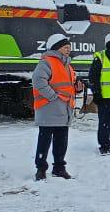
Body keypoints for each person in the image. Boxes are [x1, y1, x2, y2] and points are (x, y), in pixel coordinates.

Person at [31, 33, 82, 180]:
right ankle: (41, 169)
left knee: (61, 142)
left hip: (63, 110)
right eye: (65, 47)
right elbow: (38, 81)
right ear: (56, 48)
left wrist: (77, 88)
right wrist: (53, 96)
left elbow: (68, 86)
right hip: (49, 109)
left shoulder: (68, 66)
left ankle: (59, 168)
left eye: (69, 47)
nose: (68, 50)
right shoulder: (47, 62)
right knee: (44, 141)